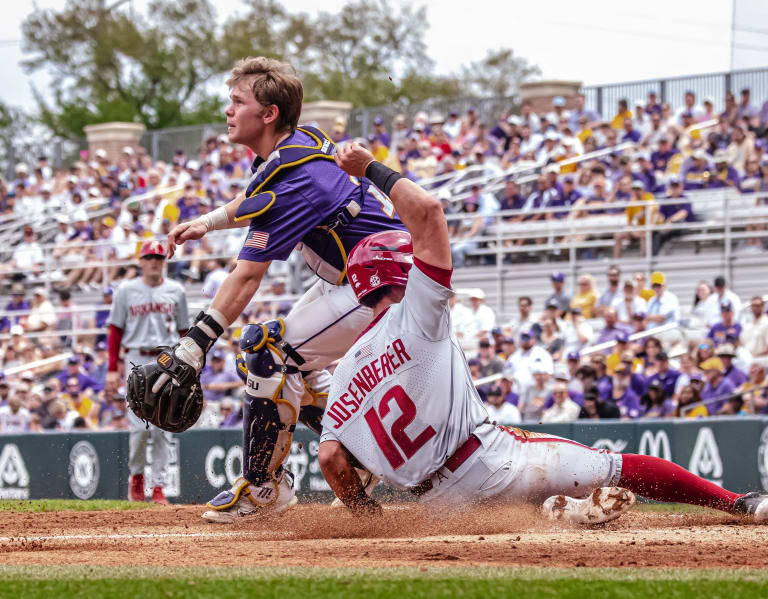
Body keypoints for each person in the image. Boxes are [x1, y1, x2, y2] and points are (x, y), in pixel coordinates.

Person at [316, 140, 768, 524]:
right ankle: (739, 503)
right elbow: (430, 212)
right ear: (399, 269)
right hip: (493, 459)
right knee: (618, 466)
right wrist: (368, 167)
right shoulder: (414, 311)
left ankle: (558, 512)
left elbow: (330, 459)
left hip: (442, 507)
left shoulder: (344, 371)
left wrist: (369, 519)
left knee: (521, 520)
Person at [162, 57, 404, 523]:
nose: (228, 110)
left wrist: (194, 346)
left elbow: (247, 276)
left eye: (238, 101)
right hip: (370, 274)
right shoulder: (301, 142)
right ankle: (357, 454)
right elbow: (257, 199)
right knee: (288, 368)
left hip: (378, 286)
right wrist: (207, 223)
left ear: (269, 113)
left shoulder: (294, 180)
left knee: (267, 352)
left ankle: (263, 488)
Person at [107, 240, 190, 505]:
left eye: (159, 257)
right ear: (141, 262)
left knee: (162, 427)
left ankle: (159, 487)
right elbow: (115, 330)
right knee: (139, 428)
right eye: (150, 257)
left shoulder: (176, 290)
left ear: (164, 262)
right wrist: (112, 368)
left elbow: (184, 331)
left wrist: (188, 367)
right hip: (136, 359)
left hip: (167, 359)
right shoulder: (126, 290)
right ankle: (137, 477)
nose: (154, 261)